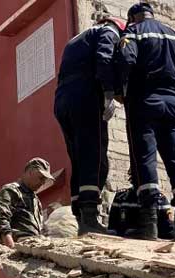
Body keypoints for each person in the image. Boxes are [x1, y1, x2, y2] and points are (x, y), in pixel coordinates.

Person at [118, 2, 175, 241]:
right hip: (173, 106)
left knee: (145, 158)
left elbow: (125, 60)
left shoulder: (133, 33)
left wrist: (121, 91)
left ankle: (149, 225)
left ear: (133, 18)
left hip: (144, 102)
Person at [54, 16, 126, 235]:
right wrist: (108, 94)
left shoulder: (75, 40)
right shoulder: (109, 32)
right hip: (86, 97)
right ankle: (89, 217)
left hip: (63, 102)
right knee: (95, 159)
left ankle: (79, 217)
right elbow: (104, 58)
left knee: (78, 158)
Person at [0, 158, 54, 247]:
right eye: (41, 178)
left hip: (32, 246)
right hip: (17, 245)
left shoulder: (35, 200)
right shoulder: (11, 190)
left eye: (45, 180)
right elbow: (2, 219)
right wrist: (10, 247)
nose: (43, 183)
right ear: (30, 172)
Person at [108, 185, 175, 239]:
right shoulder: (121, 196)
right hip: (124, 239)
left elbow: (169, 230)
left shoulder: (159, 199)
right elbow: (112, 227)